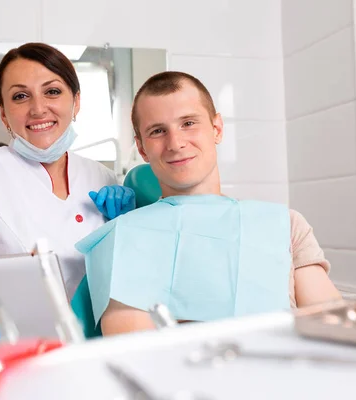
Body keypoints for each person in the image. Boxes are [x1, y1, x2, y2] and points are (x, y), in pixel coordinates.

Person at [75, 71, 342, 336]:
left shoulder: (285, 225)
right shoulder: (123, 239)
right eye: (157, 131)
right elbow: (136, 354)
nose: (176, 143)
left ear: (217, 128)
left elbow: (333, 328)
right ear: (142, 148)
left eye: (188, 123)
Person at [0, 43, 135, 354]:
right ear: (3, 113)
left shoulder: (101, 177)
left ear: (76, 102)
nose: (38, 108)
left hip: (76, 355)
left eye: (52, 92)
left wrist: (128, 225)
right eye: (20, 96)